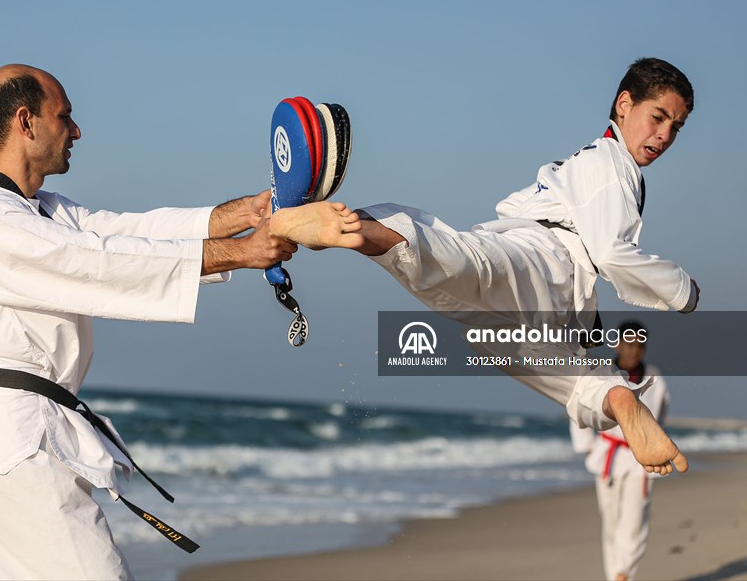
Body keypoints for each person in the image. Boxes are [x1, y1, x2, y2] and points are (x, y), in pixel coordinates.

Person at [0, 64, 322, 580]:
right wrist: (242, 254)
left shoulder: (40, 210)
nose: (76, 131)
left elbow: (135, 232)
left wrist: (246, 213)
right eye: (64, 117)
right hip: (14, 451)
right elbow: (95, 260)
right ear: (26, 122)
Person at [271, 57, 698, 475]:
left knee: (457, 265)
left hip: (547, 270)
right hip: (548, 264)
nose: (664, 135)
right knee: (571, 374)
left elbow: (602, 251)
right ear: (624, 104)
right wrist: (681, 290)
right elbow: (609, 252)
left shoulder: (598, 161)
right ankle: (617, 397)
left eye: (675, 127)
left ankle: (349, 228)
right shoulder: (612, 164)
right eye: (658, 117)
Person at [570, 320, 668, 581]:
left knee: (635, 523)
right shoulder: (601, 374)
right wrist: (588, 448)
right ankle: (614, 575)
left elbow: (661, 415)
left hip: (641, 458)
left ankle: (624, 574)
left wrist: (655, 444)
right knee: (611, 522)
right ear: (617, 344)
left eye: (639, 345)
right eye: (629, 343)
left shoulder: (655, 378)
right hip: (608, 456)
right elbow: (579, 407)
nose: (634, 350)